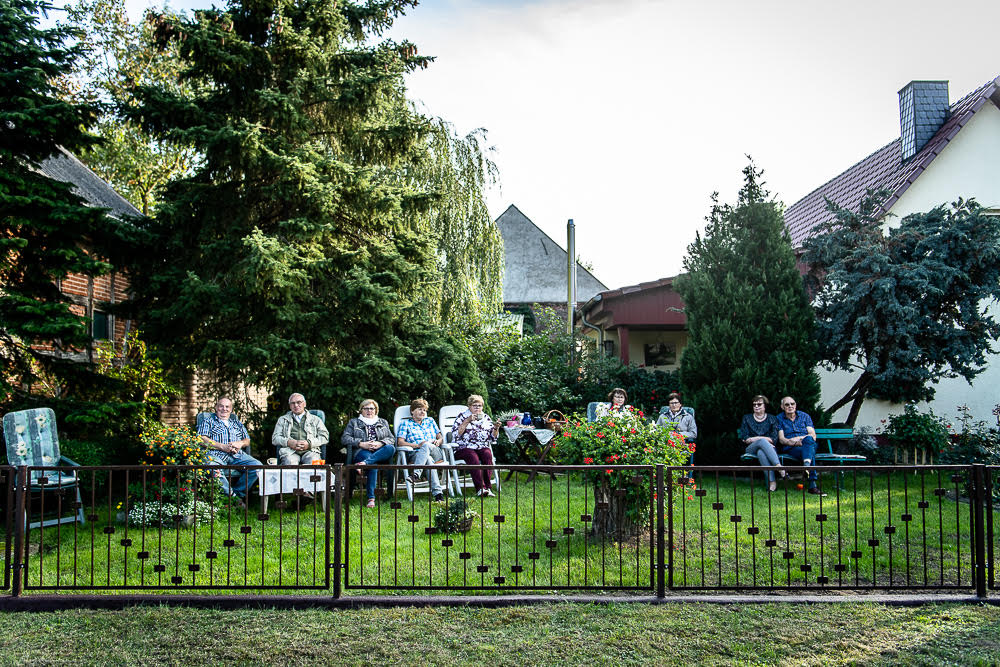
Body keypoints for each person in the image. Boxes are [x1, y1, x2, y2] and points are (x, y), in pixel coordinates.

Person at [198, 396, 262, 506]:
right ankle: (232, 498)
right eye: (221, 406)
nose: (224, 409)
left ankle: (237, 494)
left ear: (231, 409)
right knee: (214, 469)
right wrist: (222, 447)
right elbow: (202, 439)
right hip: (216, 454)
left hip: (237, 455)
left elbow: (247, 440)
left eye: (227, 407)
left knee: (257, 467)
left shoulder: (236, 423)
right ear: (216, 408)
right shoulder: (208, 421)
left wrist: (240, 443)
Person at [340, 398, 396, 508]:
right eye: (366, 408)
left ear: (376, 410)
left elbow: (391, 438)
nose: (369, 411)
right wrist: (361, 443)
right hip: (362, 451)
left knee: (391, 448)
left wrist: (380, 443)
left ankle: (365, 463)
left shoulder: (383, 422)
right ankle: (371, 498)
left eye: (372, 408)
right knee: (372, 465)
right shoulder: (354, 422)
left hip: (380, 450)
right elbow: (345, 438)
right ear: (361, 410)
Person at [396, 398, 447, 502]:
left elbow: (440, 437)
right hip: (416, 454)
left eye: (424, 410)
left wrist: (439, 441)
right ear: (412, 411)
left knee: (427, 445)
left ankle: (416, 474)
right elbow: (400, 442)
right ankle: (438, 495)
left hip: (435, 452)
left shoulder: (430, 421)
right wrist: (417, 445)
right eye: (420, 409)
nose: (423, 412)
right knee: (427, 459)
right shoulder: (405, 424)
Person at [450, 394, 497, 497]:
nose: (477, 408)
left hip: (480, 446)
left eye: (479, 406)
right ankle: (480, 488)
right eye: (474, 405)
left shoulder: (486, 418)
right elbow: (456, 434)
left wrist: (496, 428)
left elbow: (492, 438)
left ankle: (487, 488)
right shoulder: (462, 416)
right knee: (472, 456)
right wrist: (467, 420)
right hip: (463, 448)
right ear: (469, 406)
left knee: (487, 454)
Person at [776, 396, 822, 494]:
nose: (790, 406)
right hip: (792, 448)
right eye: (787, 404)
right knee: (810, 453)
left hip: (808, 444)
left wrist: (800, 439)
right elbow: (782, 440)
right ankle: (812, 485)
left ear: (795, 405)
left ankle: (806, 465)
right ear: (782, 407)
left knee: (809, 441)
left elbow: (812, 436)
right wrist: (797, 442)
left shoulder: (804, 416)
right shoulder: (779, 419)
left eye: (792, 404)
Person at [739, 395, 785, 492]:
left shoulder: (772, 418)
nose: (756, 406)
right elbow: (745, 438)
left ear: (765, 406)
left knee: (761, 452)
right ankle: (779, 467)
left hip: (769, 449)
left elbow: (774, 439)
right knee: (762, 442)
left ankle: (772, 483)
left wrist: (754, 438)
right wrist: (761, 439)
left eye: (759, 404)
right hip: (750, 448)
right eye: (754, 404)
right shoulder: (747, 418)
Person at [271, 393, 330, 465]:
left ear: (304, 404)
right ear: (290, 406)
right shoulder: (282, 420)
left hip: (311, 451)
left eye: (299, 402)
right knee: (289, 462)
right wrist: (288, 442)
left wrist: (309, 443)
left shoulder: (315, 419)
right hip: (290, 451)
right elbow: (275, 438)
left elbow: (325, 437)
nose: (296, 405)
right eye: (292, 403)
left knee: (314, 462)